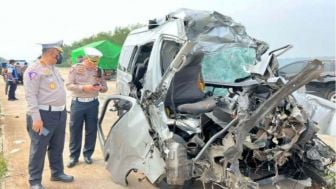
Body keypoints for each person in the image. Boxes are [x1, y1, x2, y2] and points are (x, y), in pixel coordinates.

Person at [23, 40, 74, 189]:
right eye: (57, 54)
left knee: (57, 146)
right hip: (43, 116)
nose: (58, 58)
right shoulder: (33, 70)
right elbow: (30, 95)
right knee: (39, 148)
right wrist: (36, 118)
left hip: (59, 114)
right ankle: (34, 181)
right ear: (51, 52)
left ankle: (57, 173)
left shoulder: (53, 68)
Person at [66, 47, 108, 168]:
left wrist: (100, 88)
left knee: (91, 130)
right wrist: (84, 88)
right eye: (90, 63)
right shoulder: (75, 68)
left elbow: (105, 88)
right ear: (86, 59)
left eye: (95, 63)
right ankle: (73, 156)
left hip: (93, 104)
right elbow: (68, 85)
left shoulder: (99, 70)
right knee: (75, 130)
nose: (92, 66)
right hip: (78, 103)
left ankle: (88, 155)